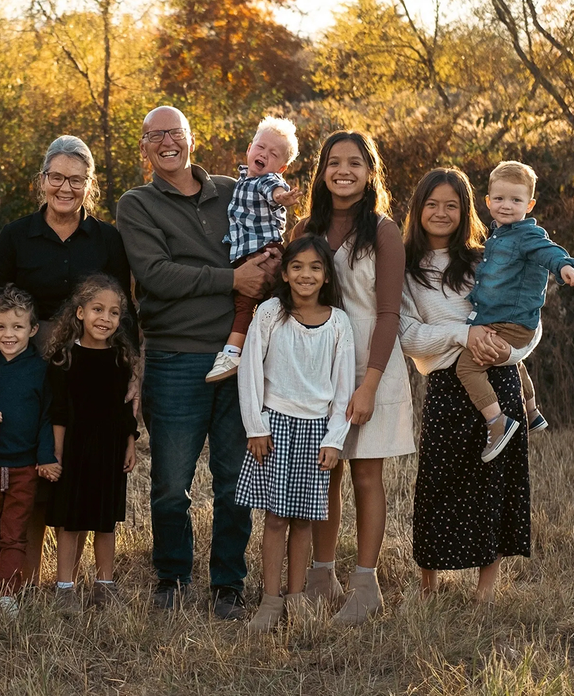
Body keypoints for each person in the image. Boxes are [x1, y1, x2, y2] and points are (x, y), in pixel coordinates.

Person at [116, 106, 278, 619]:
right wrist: (231, 279)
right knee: (170, 483)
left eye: (175, 133)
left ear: (192, 138)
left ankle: (228, 583)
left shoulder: (234, 190)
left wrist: (265, 268)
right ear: (143, 146)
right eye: (155, 135)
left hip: (244, 359)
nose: (167, 142)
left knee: (236, 481)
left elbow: (273, 239)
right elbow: (157, 275)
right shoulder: (136, 205)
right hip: (175, 358)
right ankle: (172, 577)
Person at [0, 135, 137, 589]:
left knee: (77, 468)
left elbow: (125, 311)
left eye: (75, 179)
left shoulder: (107, 239)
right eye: (57, 177)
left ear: (89, 184)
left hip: (90, 374)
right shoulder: (19, 236)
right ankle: (30, 577)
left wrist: (134, 371)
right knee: (34, 469)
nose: (65, 187)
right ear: (42, 180)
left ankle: (72, 577)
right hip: (29, 369)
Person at [288, 130, 415, 625]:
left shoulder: (382, 231)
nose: (344, 170)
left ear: (369, 173)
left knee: (365, 473)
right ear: (322, 171)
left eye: (355, 163)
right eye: (334, 162)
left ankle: (366, 584)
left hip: (370, 362)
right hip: (317, 365)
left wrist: (369, 384)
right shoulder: (306, 225)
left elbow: (388, 314)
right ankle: (321, 576)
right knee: (324, 473)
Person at [398, 166, 540, 603]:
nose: (441, 213)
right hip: (445, 381)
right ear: (418, 209)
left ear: (466, 212)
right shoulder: (406, 268)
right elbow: (408, 335)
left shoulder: (489, 258)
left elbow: (529, 318)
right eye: (432, 204)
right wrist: (464, 335)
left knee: (492, 483)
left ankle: (485, 590)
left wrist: (510, 353)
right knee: (437, 482)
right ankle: (428, 585)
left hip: (496, 381)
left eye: (452, 206)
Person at [234, 236, 355, 633]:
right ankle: (270, 601)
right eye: (297, 266)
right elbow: (250, 371)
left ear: (325, 277)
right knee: (275, 518)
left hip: (316, 432)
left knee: (304, 520)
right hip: (274, 427)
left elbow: (343, 389)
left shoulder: (338, 322)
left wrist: (335, 438)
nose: (306, 274)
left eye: (315, 268)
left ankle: (296, 596)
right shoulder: (270, 313)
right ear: (284, 273)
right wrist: (256, 426)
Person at [460, 161, 574, 462]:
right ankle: (531, 410)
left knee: (467, 366)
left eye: (516, 200)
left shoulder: (527, 236)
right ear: (488, 201)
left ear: (530, 204)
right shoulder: (498, 235)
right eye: (499, 199)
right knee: (509, 362)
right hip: (501, 319)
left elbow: (548, 250)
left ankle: (496, 421)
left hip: (511, 323)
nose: (506, 206)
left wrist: (564, 265)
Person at [43, 274, 141, 615]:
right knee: (70, 520)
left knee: (104, 520)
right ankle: (65, 588)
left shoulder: (120, 358)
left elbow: (125, 409)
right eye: (98, 309)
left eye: (114, 313)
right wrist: (57, 451)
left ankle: (104, 586)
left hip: (110, 449)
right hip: (73, 448)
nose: (105, 318)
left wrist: (130, 443)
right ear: (80, 312)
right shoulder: (64, 358)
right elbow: (58, 411)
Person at [0, 284, 57, 619]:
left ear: (33, 329)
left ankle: (9, 593)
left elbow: (47, 416)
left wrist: (46, 457)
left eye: (18, 327)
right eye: (1, 327)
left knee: (14, 532)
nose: (9, 335)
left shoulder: (40, 369)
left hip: (23, 466)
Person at [206, 116, 301, 383]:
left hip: (262, 253)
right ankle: (266, 352)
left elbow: (275, 192)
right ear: (249, 148)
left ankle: (232, 354)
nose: (264, 155)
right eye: (260, 147)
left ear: (281, 167)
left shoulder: (266, 182)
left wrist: (282, 197)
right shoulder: (240, 182)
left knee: (245, 305)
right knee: (270, 306)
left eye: (273, 154)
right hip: (248, 255)